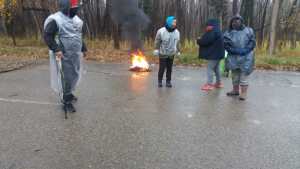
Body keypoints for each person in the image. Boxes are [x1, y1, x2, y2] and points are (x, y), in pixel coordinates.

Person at [43, 0, 87, 113]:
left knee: (74, 74)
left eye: (76, 7)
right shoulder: (56, 19)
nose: (75, 9)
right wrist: (56, 49)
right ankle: (66, 101)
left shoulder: (77, 20)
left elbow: (78, 35)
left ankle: (69, 93)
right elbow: (48, 35)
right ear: (65, 7)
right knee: (65, 77)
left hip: (75, 54)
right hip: (63, 54)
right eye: (73, 7)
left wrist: (83, 48)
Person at [224, 15, 256, 100]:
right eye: (234, 21)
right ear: (231, 22)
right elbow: (225, 44)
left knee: (243, 76)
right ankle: (235, 90)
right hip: (233, 57)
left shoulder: (249, 31)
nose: (236, 23)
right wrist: (233, 50)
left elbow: (252, 42)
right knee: (235, 75)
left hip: (246, 57)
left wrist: (246, 50)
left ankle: (244, 93)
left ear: (241, 21)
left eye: (238, 21)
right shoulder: (228, 33)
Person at [197, 18, 225, 91]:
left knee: (209, 68)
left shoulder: (212, 32)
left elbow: (205, 41)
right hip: (219, 55)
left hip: (214, 55)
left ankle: (209, 84)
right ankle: (219, 83)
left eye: (207, 26)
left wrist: (199, 40)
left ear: (211, 26)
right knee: (216, 69)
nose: (206, 27)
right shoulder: (218, 31)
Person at [154, 16, 180, 88]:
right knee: (162, 68)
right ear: (169, 22)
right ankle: (160, 81)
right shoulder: (161, 31)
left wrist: (178, 50)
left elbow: (177, 42)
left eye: (175, 22)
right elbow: (157, 41)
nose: (175, 23)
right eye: (174, 22)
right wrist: (156, 49)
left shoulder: (177, 32)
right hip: (163, 53)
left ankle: (168, 81)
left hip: (171, 53)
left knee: (169, 68)